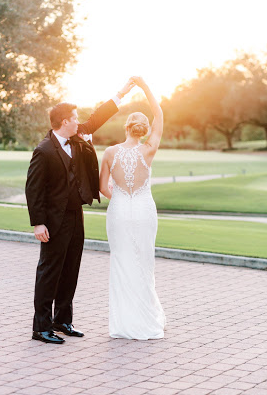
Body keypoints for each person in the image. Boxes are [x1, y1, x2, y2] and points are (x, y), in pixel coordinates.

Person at [26, 79, 135, 344]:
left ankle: (62, 320)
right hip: (53, 220)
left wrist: (121, 92)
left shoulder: (76, 137)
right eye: (74, 118)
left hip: (76, 214)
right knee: (49, 271)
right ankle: (41, 328)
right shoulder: (44, 150)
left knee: (71, 268)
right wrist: (38, 224)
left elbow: (97, 117)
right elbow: (33, 189)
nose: (79, 122)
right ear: (64, 122)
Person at [99, 76, 166, 340]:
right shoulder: (149, 149)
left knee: (121, 261)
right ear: (143, 130)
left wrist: (119, 196)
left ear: (126, 127)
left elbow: (103, 188)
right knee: (144, 263)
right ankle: (145, 318)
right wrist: (146, 87)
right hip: (144, 211)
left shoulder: (109, 153)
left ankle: (123, 324)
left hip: (118, 212)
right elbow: (159, 113)